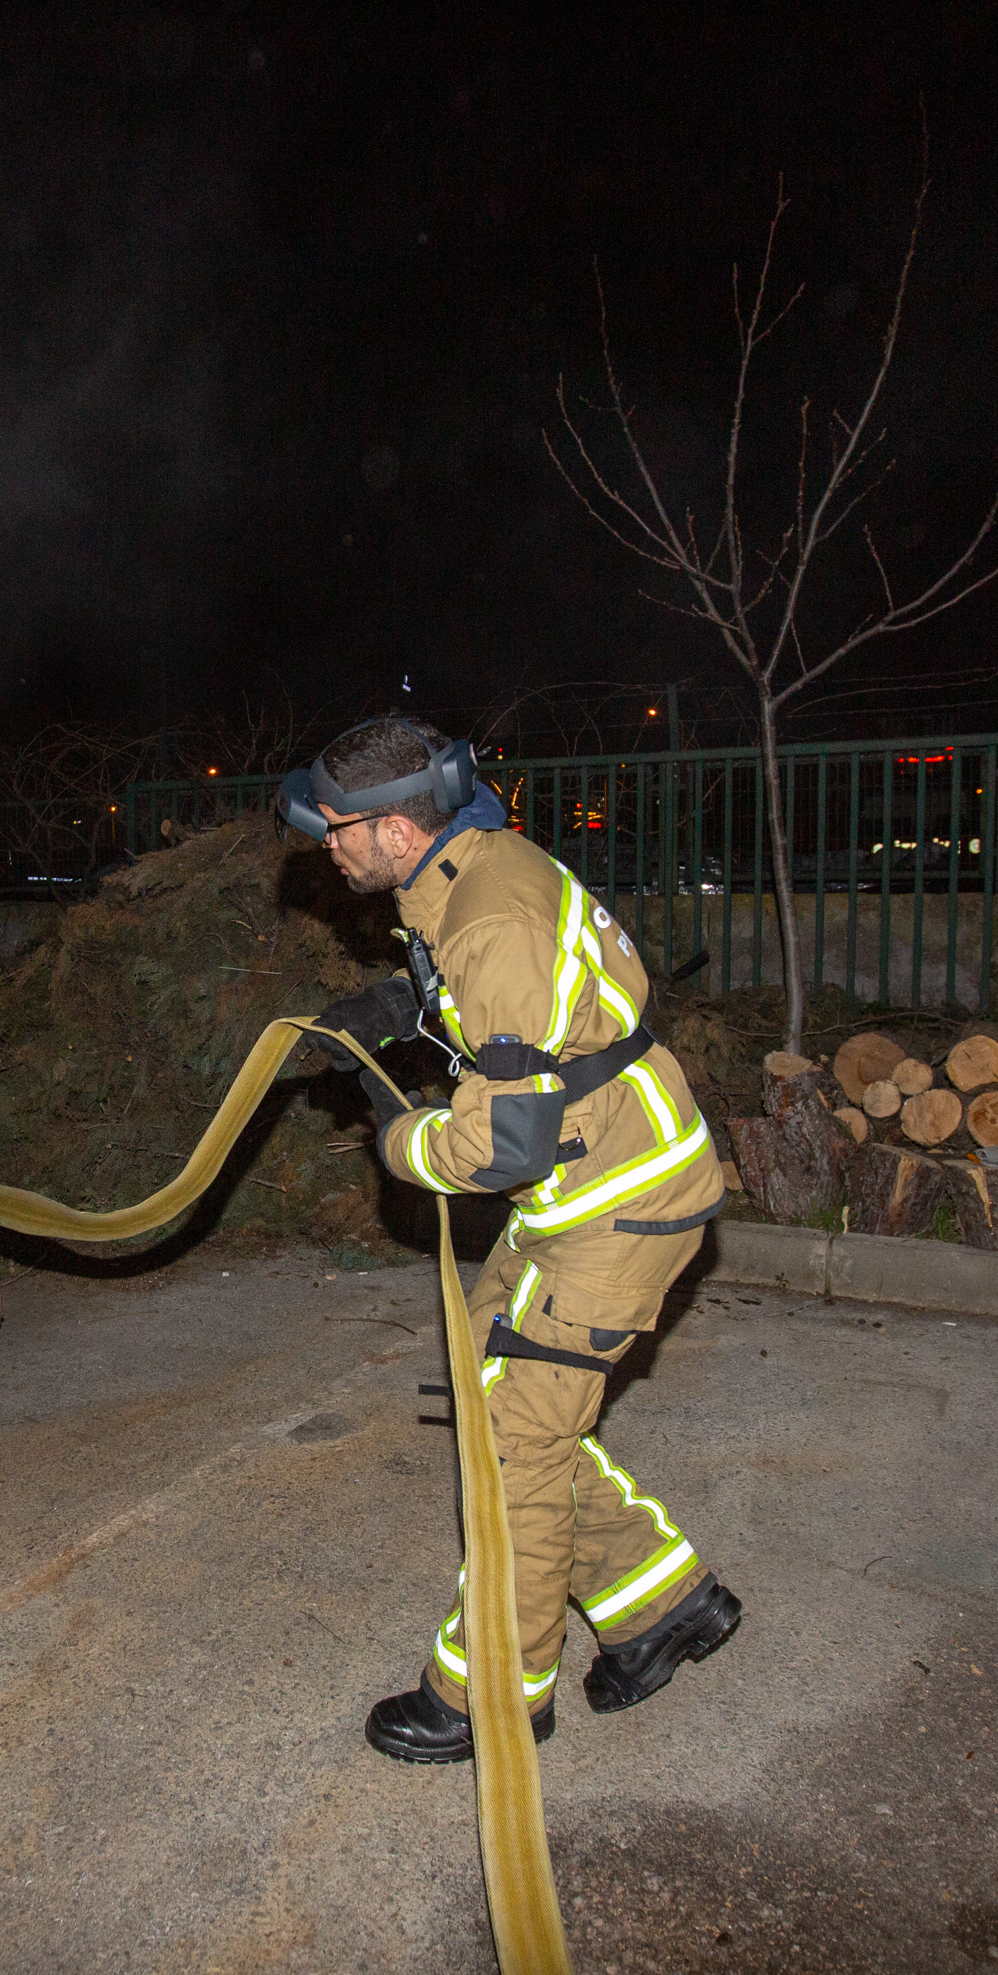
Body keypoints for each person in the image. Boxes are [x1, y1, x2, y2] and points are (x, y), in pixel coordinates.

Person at [283, 716, 739, 1763]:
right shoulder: (469, 865)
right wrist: (393, 1004)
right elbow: (515, 1009)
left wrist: (396, 1139)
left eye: (342, 828)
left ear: (400, 826)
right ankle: (664, 1602)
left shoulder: (489, 916)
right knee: (505, 1402)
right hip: (595, 1185)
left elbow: (500, 1143)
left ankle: (492, 1689)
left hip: (614, 1204)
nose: (329, 846)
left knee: (511, 1446)